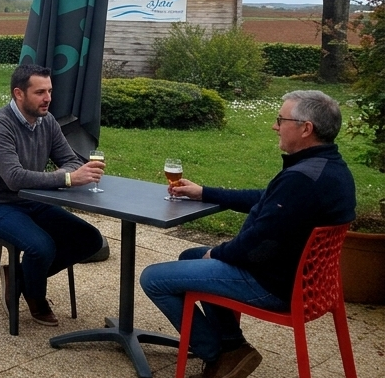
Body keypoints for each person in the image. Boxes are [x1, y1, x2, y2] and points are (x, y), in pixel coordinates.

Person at [139, 90, 356, 378]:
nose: (275, 126)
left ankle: (220, 354)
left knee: (153, 278)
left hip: (274, 285)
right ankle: (231, 343)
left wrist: (216, 253)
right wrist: (204, 192)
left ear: (306, 129)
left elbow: (258, 244)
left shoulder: (300, 180)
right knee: (188, 256)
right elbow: (265, 199)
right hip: (310, 284)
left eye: (281, 119)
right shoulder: (329, 168)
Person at [0, 64, 105, 326]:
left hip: (32, 199)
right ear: (19, 93)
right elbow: (14, 178)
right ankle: (36, 297)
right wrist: (67, 178)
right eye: (40, 92)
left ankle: (21, 277)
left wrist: (70, 172)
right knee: (41, 248)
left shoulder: (46, 120)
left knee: (90, 239)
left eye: (49, 91)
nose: (48, 98)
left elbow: (70, 159)